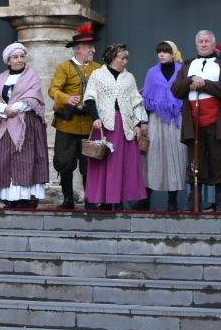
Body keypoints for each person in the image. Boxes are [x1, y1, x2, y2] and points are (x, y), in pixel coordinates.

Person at [0, 42, 50, 208]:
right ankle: (8, 197)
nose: (19, 60)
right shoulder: (1, 78)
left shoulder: (32, 76)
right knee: (3, 159)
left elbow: (34, 97)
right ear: (8, 61)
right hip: (4, 123)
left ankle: (25, 197)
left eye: (22, 56)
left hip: (26, 124)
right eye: (15, 57)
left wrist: (14, 108)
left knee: (24, 160)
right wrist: (4, 109)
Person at [172, 29, 221, 212]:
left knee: (220, 160)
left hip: (217, 121)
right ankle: (195, 201)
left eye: (207, 41)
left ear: (213, 44)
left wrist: (204, 83)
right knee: (195, 161)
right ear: (196, 44)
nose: (204, 44)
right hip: (194, 122)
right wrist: (191, 79)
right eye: (201, 41)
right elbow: (176, 90)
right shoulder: (187, 65)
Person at [82, 44, 149, 210]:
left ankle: (118, 200)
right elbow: (90, 98)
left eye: (127, 58)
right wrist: (95, 118)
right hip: (105, 126)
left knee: (123, 164)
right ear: (112, 57)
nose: (125, 62)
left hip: (125, 124)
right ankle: (105, 201)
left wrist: (139, 124)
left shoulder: (129, 77)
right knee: (105, 163)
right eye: (122, 58)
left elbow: (136, 102)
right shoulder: (98, 75)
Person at [49, 23, 100, 209]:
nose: (93, 50)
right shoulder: (65, 68)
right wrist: (66, 98)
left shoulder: (98, 68)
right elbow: (52, 90)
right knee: (64, 162)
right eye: (89, 47)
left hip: (89, 124)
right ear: (79, 49)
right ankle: (68, 199)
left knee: (90, 163)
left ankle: (90, 200)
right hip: (67, 124)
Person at [141, 41, 189, 211]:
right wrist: (144, 122)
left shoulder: (183, 70)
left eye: (166, 51)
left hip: (177, 119)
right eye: (159, 51)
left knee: (176, 157)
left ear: (173, 53)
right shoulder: (151, 73)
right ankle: (145, 199)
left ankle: (172, 201)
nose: (162, 54)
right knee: (153, 157)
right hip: (156, 119)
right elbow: (146, 98)